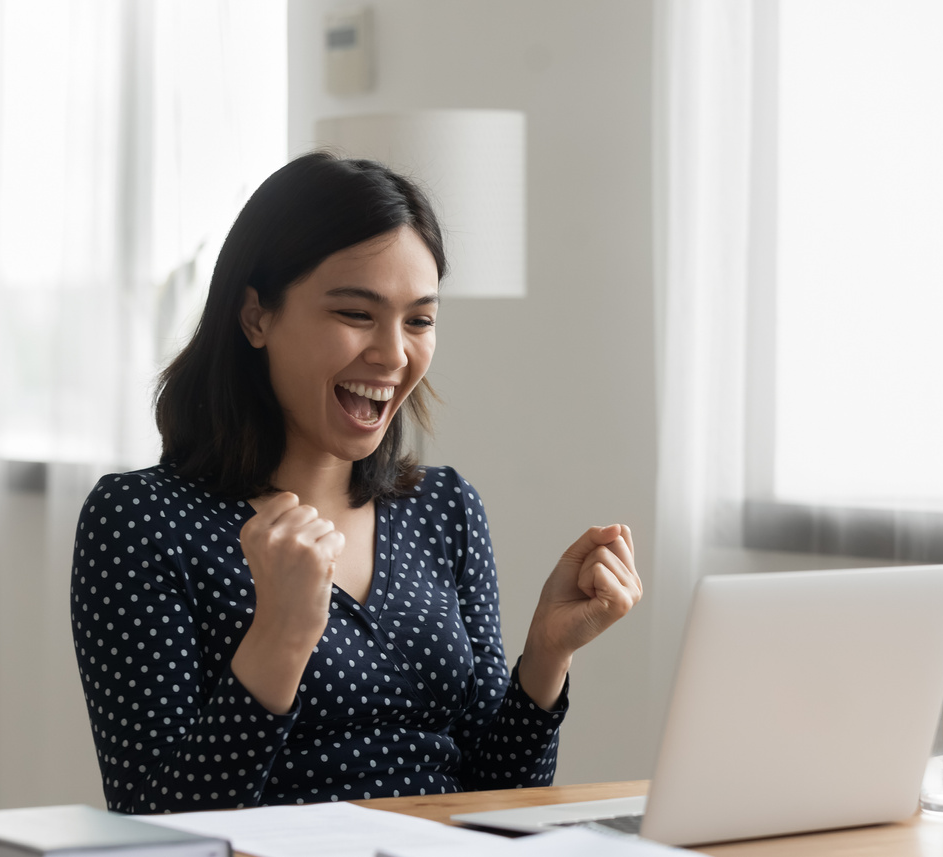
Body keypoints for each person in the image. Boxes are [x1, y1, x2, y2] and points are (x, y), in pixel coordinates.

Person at [70, 152, 642, 814]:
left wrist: (546, 652)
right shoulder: (141, 520)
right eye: (355, 313)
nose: (393, 353)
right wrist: (279, 635)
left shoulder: (443, 506)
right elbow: (153, 825)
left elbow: (499, 793)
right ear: (256, 316)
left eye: (419, 320)